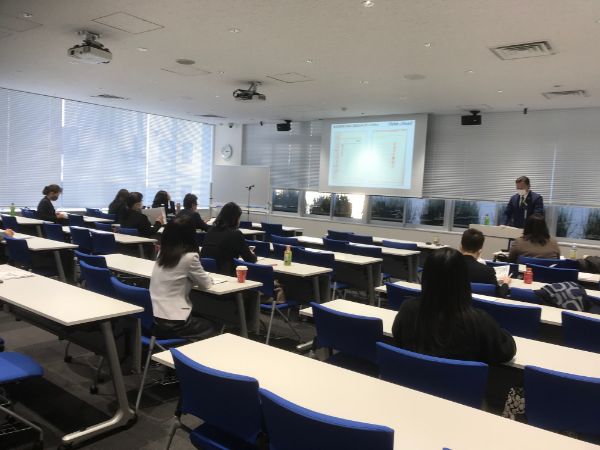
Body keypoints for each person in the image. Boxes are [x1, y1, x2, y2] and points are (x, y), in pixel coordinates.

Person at [392, 247, 516, 363]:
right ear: (464, 280)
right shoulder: (479, 321)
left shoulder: (408, 310)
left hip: (413, 377)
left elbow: (398, 338)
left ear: (425, 277)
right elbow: (507, 351)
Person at [150, 219, 216, 340]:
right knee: (213, 325)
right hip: (174, 323)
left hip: (154, 317)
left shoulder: (162, 253)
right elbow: (206, 284)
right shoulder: (190, 257)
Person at [200, 202, 256, 275]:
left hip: (207, 272)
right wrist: (252, 254)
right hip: (227, 274)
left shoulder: (211, 230)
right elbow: (250, 259)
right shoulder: (236, 234)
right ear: (235, 219)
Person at [461, 228, 510, 298]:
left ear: (461, 247)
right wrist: (505, 283)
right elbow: (500, 295)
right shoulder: (487, 271)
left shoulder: (449, 265)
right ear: (480, 250)